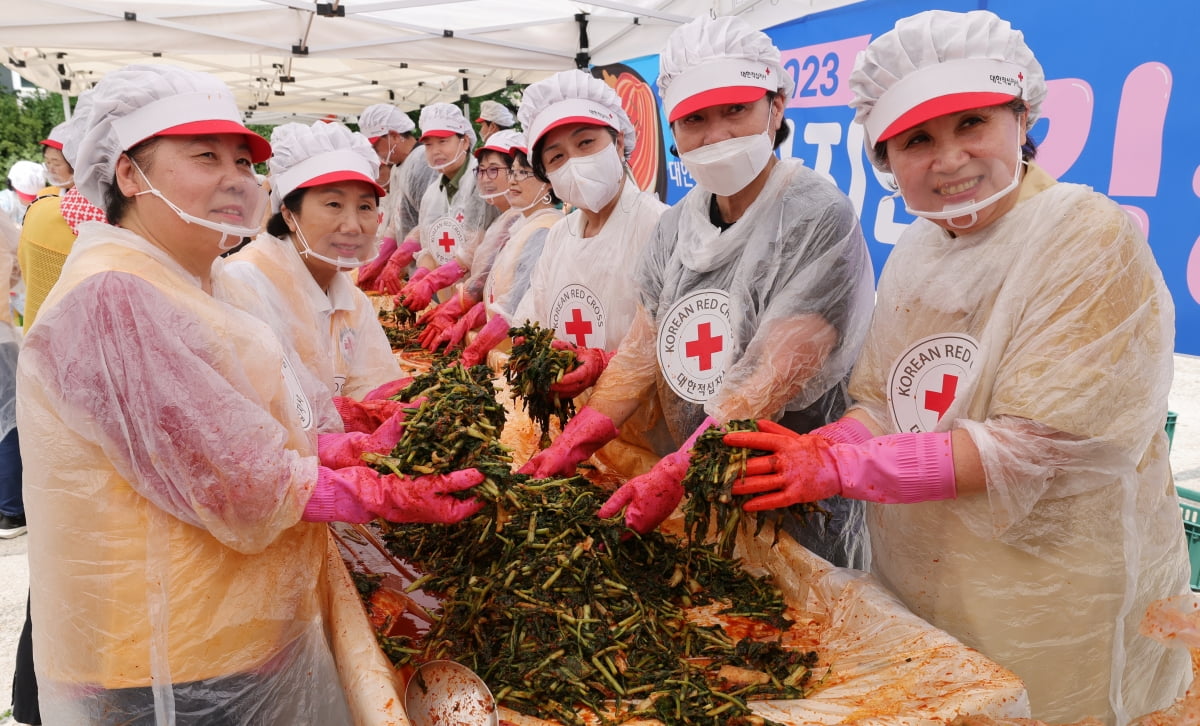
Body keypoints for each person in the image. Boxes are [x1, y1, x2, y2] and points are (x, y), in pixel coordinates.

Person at [721, 10, 1191, 723]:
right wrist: (828, 447)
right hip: (922, 575)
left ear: (1021, 117)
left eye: (971, 124)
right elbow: (882, 400)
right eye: (916, 141)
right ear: (885, 162)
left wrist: (846, 471)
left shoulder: (1086, 238)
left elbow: (1040, 447)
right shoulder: (919, 250)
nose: (948, 160)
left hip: (1050, 595)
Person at [16, 64, 484, 725]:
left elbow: (261, 425)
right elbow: (236, 480)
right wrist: (377, 488)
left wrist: (351, 441)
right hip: (162, 664)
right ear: (127, 174)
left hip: (232, 631)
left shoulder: (198, 281)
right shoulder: (113, 296)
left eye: (242, 158)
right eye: (205, 156)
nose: (235, 178)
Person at [520, 17, 875, 568]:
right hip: (690, 476)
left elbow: (770, 377)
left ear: (776, 107)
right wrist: (573, 445)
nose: (715, 137)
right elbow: (641, 354)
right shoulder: (676, 227)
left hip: (783, 490)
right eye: (694, 120)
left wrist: (673, 473)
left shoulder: (815, 215)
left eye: (736, 111)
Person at [473, 69, 668, 478]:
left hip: (649, 452)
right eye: (557, 157)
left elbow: (670, 351)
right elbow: (532, 322)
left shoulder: (660, 227)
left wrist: (604, 362)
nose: (575, 163)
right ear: (546, 174)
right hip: (576, 444)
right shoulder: (561, 235)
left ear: (618, 143)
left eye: (586, 143)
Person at [223, 120, 403, 418]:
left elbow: (377, 388)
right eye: (333, 204)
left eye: (365, 207)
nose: (352, 226)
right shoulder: (246, 283)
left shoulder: (352, 303)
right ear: (290, 216)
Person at [404, 128, 525, 340]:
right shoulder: (502, 219)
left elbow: (512, 293)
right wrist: (427, 281)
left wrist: (455, 309)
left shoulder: (523, 220)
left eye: (495, 170)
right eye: (483, 170)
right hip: (492, 323)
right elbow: (472, 262)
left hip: (509, 331)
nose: (486, 178)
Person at [455, 140, 563, 364]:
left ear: (548, 182)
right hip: (500, 354)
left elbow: (514, 306)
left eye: (523, 172)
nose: (513, 179)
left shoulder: (544, 229)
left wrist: (475, 349)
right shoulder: (524, 224)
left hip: (514, 358)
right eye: (513, 171)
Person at [375, 102, 498, 298]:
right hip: (446, 296)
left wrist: (431, 281)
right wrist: (420, 275)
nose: (435, 151)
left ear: (465, 141)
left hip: (481, 295)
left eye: (443, 141)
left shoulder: (480, 180)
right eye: (429, 144)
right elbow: (429, 239)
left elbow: (475, 247)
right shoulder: (433, 193)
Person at [19, 103, 107, 331]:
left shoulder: (42, 206)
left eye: (56, 163)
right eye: (47, 163)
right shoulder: (44, 199)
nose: (51, 169)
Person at [354, 103, 436, 293]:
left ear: (394, 136)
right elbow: (396, 222)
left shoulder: (421, 163)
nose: (375, 152)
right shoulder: (399, 167)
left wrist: (396, 261)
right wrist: (379, 260)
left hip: (429, 267)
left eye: (376, 145)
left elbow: (429, 221)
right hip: (413, 264)